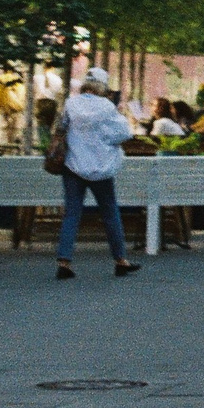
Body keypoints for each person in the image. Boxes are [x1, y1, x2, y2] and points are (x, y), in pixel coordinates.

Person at [57, 68, 140, 279]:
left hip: (73, 165)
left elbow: (61, 128)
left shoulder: (71, 103)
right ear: (103, 87)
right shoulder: (106, 107)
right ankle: (120, 260)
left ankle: (64, 262)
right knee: (110, 212)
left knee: (72, 213)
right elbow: (124, 133)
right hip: (100, 167)